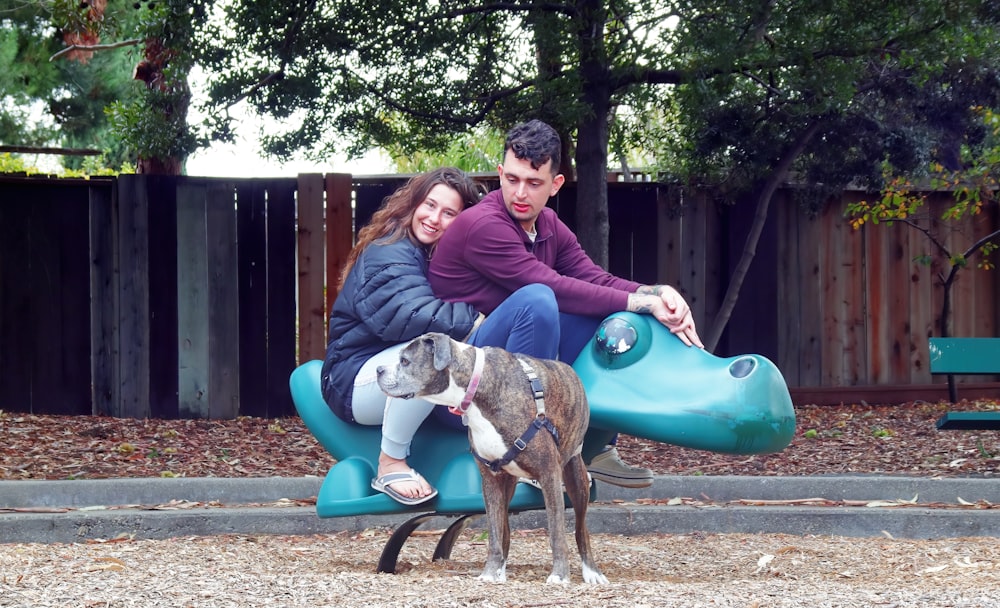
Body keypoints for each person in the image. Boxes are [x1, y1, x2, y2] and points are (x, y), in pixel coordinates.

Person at [428, 120, 705, 488]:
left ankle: (594, 446)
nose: (520, 193)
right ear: (500, 174)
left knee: (611, 316)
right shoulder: (483, 225)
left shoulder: (548, 225)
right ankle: (524, 449)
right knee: (539, 299)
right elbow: (551, 286)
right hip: (459, 386)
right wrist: (642, 301)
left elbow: (594, 279)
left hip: (503, 367)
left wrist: (654, 293)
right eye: (512, 179)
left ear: (555, 184)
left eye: (533, 182)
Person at [321, 167, 562, 506]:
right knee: (432, 354)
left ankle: (526, 446)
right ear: (413, 204)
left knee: (445, 352)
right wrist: (477, 317)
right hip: (355, 378)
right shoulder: (388, 250)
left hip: (400, 369)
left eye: (450, 213)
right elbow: (408, 317)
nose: (435, 218)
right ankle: (390, 463)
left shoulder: (437, 255)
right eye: (430, 205)